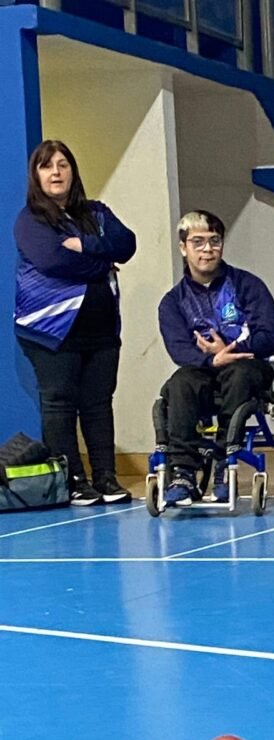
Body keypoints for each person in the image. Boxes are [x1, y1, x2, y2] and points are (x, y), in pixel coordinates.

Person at [14, 139, 137, 505]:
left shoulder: (96, 213)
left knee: (99, 403)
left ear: (73, 171)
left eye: (63, 164)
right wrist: (103, 263)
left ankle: (106, 478)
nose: (56, 172)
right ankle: (73, 481)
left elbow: (127, 244)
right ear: (36, 175)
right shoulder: (31, 220)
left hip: (101, 331)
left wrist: (88, 245)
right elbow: (54, 263)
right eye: (47, 166)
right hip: (50, 333)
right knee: (59, 404)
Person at [157, 211, 274, 504]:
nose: (207, 249)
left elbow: (269, 334)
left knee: (239, 375)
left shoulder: (248, 285)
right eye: (198, 242)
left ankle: (226, 461)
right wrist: (212, 360)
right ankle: (183, 471)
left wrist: (229, 350)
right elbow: (178, 348)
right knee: (179, 384)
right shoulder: (172, 302)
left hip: (249, 364)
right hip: (204, 370)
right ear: (183, 247)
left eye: (214, 241)